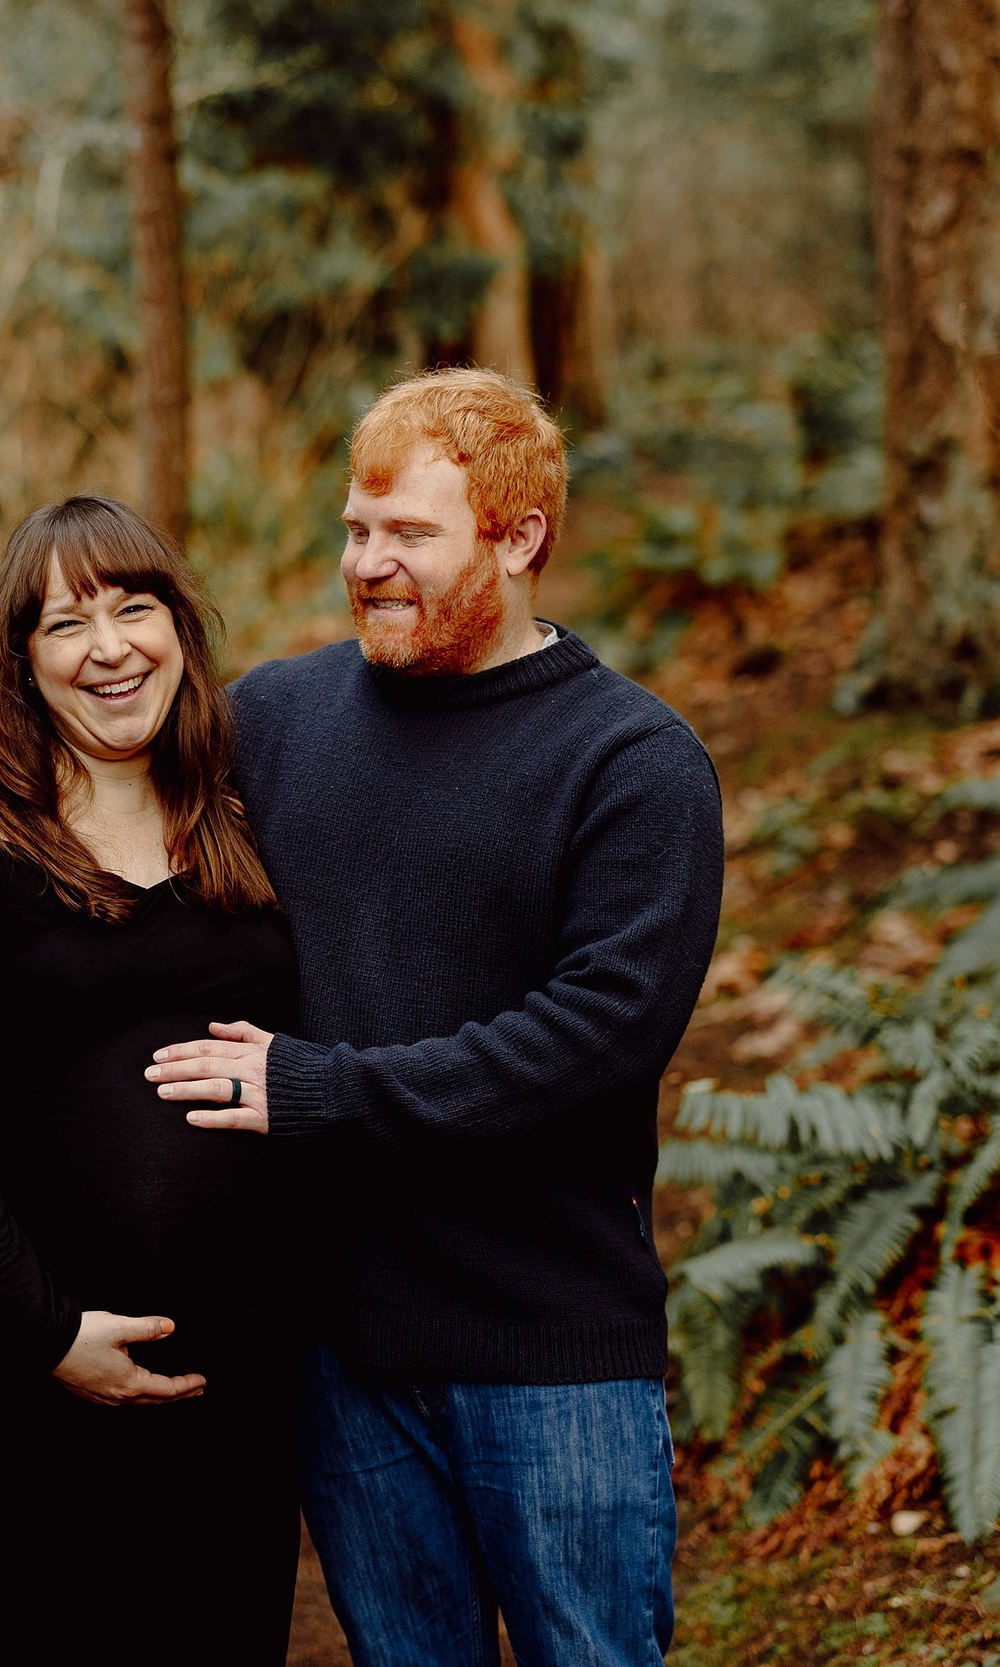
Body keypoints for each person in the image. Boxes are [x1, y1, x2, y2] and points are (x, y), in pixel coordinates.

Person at [146, 368, 725, 1666]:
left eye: (409, 534)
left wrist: (322, 1090)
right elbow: (110, 823)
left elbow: (594, 1039)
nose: (368, 563)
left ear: (519, 539)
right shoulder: (280, 721)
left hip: (551, 1341)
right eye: (357, 529)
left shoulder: (632, 763)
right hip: (342, 1350)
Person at [0, 495, 300, 1665]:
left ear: (180, 631)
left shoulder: (243, 824)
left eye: (133, 608)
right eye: (64, 623)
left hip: (224, 1383)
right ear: (20, 662)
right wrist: (46, 1329)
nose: (109, 648)